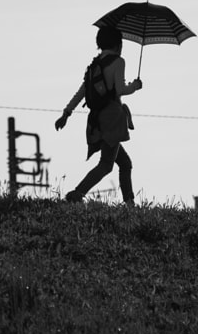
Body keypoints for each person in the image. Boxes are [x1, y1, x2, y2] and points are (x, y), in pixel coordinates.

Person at [55, 26, 143, 206]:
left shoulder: (95, 65)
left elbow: (82, 92)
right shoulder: (118, 62)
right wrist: (135, 86)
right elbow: (120, 90)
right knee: (106, 165)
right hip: (112, 120)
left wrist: (66, 113)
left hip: (97, 120)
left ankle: (130, 204)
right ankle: (77, 194)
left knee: (125, 163)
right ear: (118, 44)